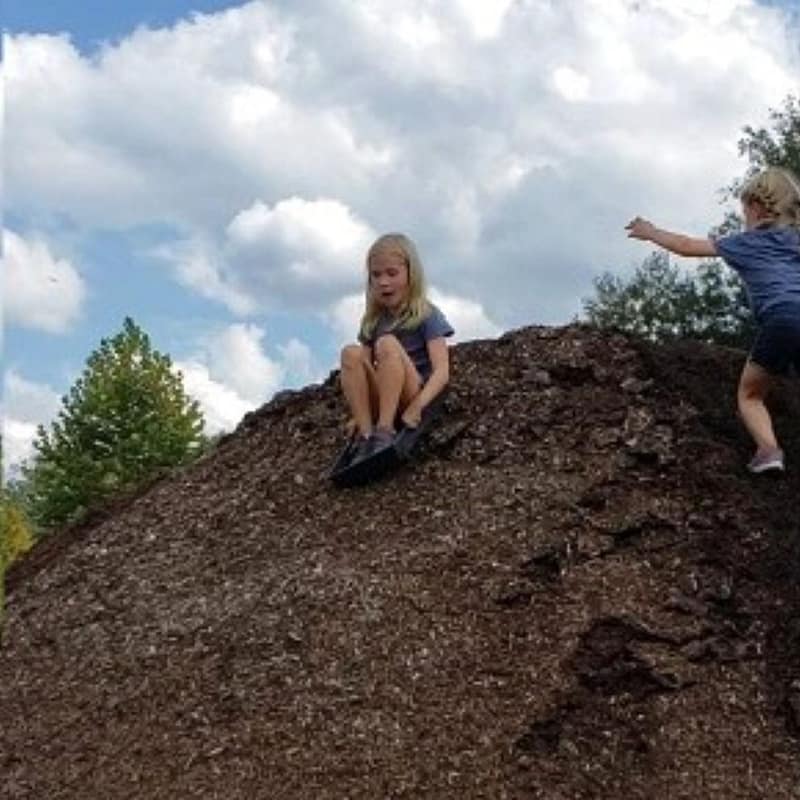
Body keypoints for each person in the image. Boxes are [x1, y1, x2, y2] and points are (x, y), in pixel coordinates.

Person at [626, 166, 800, 474]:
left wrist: (651, 232)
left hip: (781, 319)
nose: (743, 218)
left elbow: (687, 246)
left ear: (757, 208)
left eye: (744, 210)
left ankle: (769, 451)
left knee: (750, 394)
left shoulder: (746, 242)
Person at [339, 232, 454, 463]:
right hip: (383, 395)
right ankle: (366, 433)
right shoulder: (372, 322)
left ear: (411, 274)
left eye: (392, 273)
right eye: (376, 275)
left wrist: (418, 407)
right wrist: (358, 413)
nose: (383, 282)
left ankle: (384, 432)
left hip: (412, 393)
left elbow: (442, 372)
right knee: (350, 353)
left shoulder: (426, 314)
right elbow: (364, 368)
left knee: (387, 343)